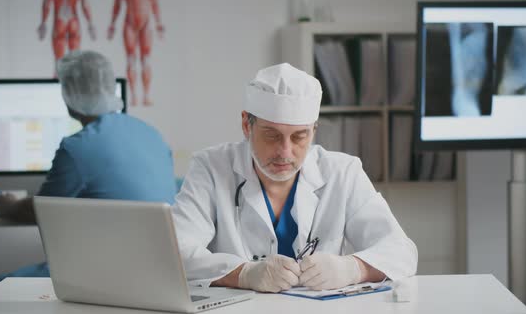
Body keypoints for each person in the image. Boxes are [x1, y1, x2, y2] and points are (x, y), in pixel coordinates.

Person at [172, 63, 417, 293]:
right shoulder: (211, 168)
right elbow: (172, 252)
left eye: (299, 136)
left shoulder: (343, 172)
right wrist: (243, 274)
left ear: (314, 131)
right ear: (247, 125)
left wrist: (353, 269)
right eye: (272, 135)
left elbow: (402, 252)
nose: (285, 152)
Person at [0, 50, 177, 298]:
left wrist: (8, 205)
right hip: (158, 273)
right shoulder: (151, 134)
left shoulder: (77, 147)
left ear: (70, 95)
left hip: (104, 275)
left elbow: (40, 210)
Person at [108, 0, 164, 106]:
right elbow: (117, 3)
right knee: (131, 60)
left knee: (146, 60)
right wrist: (112, 24)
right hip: (130, 23)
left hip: (146, 23)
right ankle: (133, 95)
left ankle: (146, 95)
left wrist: (159, 23)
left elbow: (154, 3)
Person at [37, 0, 97, 65]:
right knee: (75, 60)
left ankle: (59, 75)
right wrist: (90, 23)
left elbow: (46, 3)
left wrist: (43, 23)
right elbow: (85, 4)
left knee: (59, 62)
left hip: (59, 20)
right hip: (73, 21)